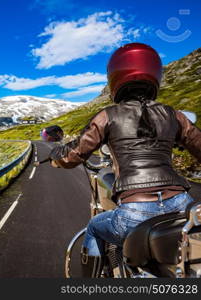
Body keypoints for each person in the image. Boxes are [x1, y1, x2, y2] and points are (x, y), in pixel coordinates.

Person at [47, 43, 201, 277]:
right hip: (182, 203)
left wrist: (56, 157)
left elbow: (73, 155)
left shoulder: (107, 116)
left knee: (94, 227)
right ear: (154, 74)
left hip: (136, 210)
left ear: (115, 76)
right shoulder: (174, 115)